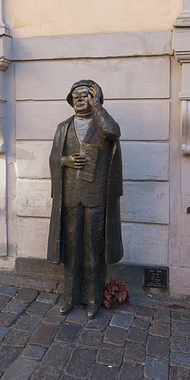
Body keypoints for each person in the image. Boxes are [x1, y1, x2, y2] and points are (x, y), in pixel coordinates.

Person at [47, 79, 123, 319]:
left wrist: (98, 106)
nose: (81, 99)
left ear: (95, 98)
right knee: (72, 250)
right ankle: (70, 296)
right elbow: (53, 159)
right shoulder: (63, 128)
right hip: (70, 197)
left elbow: (114, 131)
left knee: (94, 251)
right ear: (70, 100)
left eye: (87, 95)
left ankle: (94, 299)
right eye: (77, 96)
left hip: (96, 197)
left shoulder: (102, 126)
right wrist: (66, 161)